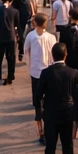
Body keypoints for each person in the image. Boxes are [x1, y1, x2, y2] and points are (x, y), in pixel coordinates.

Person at [36, 43, 78, 154]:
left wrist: (40, 112)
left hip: (50, 115)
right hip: (68, 114)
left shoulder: (45, 73)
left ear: (52, 55)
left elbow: (37, 96)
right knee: (68, 146)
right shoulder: (74, 73)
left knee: (50, 147)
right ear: (66, 55)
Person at [24, 13, 56, 146]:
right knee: (49, 101)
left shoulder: (31, 36)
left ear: (35, 23)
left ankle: (41, 131)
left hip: (35, 72)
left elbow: (26, 50)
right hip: (48, 71)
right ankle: (50, 129)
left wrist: (29, 64)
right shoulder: (51, 37)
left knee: (37, 102)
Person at [0, 0, 20, 85]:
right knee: (11, 57)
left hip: (0, 36)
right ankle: (11, 74)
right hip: (11, 36)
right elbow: (17, 25)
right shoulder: (15, 11)